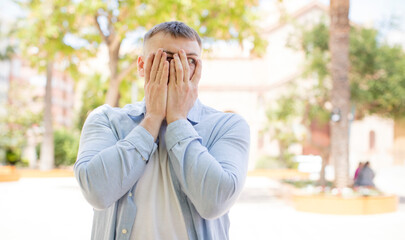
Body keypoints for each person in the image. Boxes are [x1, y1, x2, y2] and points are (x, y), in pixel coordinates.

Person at [74, 21, 250, 240]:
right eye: (166, 59)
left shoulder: (228, 126)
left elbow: (214, 202)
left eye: (190, 61)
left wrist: (177, 119)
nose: (179, 69)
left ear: (199, 70)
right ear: (141, 66)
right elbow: (96, 192)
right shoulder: (105, 120)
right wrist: (152, 118)